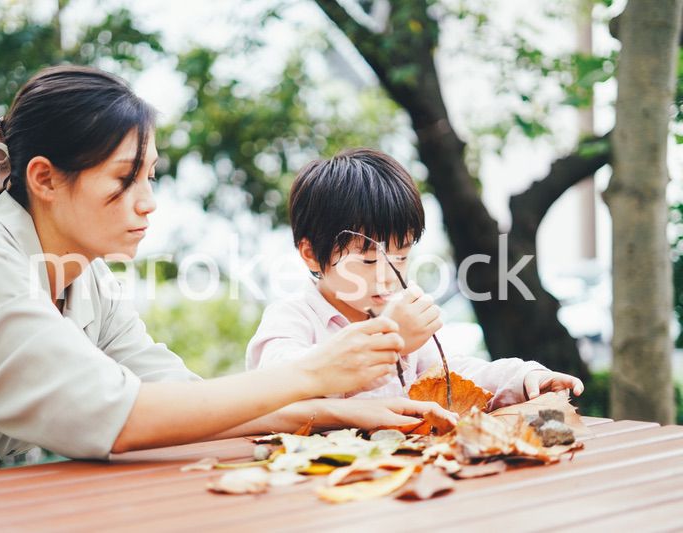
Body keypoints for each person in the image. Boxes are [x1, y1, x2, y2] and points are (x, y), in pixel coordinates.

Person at [0, 67, 455, 481]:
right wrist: (315, 375)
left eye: (151, 176)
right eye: (124, 179)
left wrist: (334, 411)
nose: (148, 202)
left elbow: (179, 397)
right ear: (45, 179)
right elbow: (124, 418)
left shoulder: (87, 281)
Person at [246, 148, 584, 407]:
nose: (388, 275)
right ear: (310, 253)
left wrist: (524, 377)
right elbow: (278, 389)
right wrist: (390, 346)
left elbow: (453, 375)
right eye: (366, 259)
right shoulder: (291, 319)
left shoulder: (398, 312)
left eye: (402, 256)